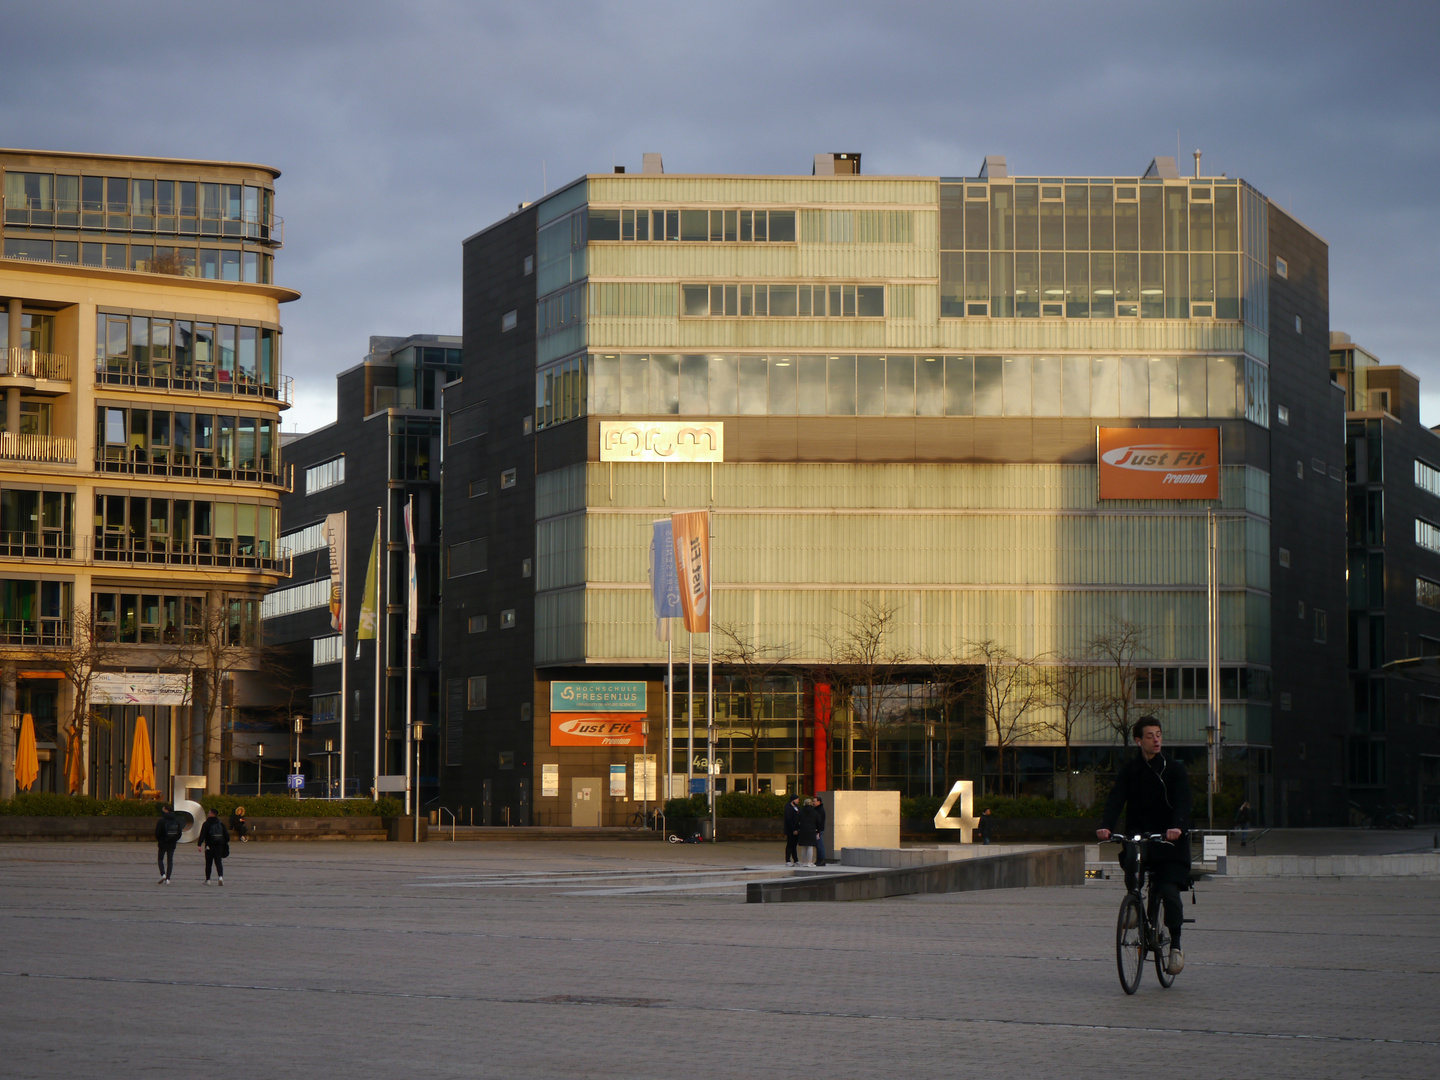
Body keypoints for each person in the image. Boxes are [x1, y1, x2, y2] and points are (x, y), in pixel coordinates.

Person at [1097, 715, 1191, 976]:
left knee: (1169, 892)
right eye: (1149, 735)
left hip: (1170, 841)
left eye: (1159, 734)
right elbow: (1116, 799)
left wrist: (1178, 827)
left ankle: (1175, 945)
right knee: (1131, 861)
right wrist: (1107, 825)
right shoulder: (1130, 770)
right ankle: (1135, 904)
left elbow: (1184, 801)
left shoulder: (1174, 769)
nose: (1156, 739)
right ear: (1139, 740)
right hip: (1141, 836)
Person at [196, 808, 230, 886]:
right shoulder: (221, 824)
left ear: (211, 814)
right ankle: (220, 877)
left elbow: (202, 835)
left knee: (208, 864)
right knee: (218, 862)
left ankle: (208, 880)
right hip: (219, 846)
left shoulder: (206, 824)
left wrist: (199, 844)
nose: (208, 814)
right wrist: (223, 843)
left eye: (209, 813)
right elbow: (227, 837)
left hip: (209, 846)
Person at [155, 803, 182, 884]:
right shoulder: (176, 820)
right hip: (172, 843)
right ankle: (168, 879)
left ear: (166, 810)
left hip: (163, 842)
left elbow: (157, 832)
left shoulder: (162, 820)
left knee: (160, 859)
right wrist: (175, 839)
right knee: (170, 860)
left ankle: (163, 874)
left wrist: (160, 840)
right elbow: (179, 832)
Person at [797, 797, 821, 867]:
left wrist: (797, 828)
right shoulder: (814, 812)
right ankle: (809, 862)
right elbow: (819, 822)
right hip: (811, 830)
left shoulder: (801, 812)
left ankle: (803, 862)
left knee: (804, 846)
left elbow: (796, 821)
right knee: (810, 846)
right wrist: (817, 830)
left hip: (803, 830)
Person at [782, 794, 801, 866]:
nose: (798, 801)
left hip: (796, 829)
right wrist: (793, 829)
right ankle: (788, 860)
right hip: (790, 830)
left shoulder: (797, 807)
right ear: (793, 800)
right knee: (790, 845)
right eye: (797, 799)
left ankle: (796, 859)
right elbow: (788, 820)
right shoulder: (788, 808)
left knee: (794, 845)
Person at [812, 795, 828, 867]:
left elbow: (820, 821)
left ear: (819, 802)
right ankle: (819, 860)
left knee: (820, 845)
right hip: (817, 830)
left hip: (819, 830)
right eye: (813, 801)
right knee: (818, 846)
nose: (813, 803)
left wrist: (818, 830)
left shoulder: (820, 810)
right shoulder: (817, 809)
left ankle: (822, 860)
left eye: (814, 801)